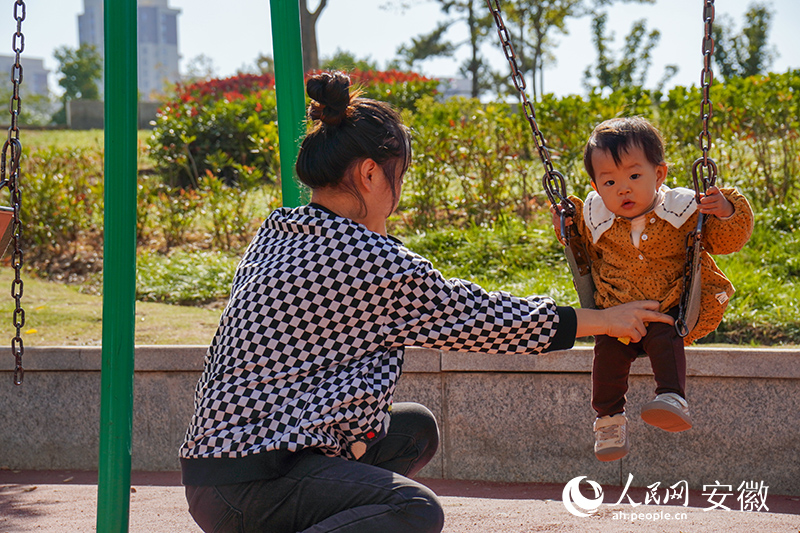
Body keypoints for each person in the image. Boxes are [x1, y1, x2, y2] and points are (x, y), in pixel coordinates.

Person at [180, 72, 673, 533]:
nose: (398, 192)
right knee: (413, 510)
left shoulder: (281, 230)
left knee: (412, 429)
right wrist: (604, 320)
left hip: (223, 465)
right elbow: (481, 319)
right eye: (398, 176)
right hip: (250, 483)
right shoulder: (366, 259)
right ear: (371, 173)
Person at [551, 116, 753, 463]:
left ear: (659, 175)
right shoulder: (595, 216)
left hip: (667, 307)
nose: (622, 189)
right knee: (607, 359)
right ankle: (609, 422)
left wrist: (725, 211)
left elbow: (728, 239)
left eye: (633, 176)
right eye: (609, 181)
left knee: (665, 338)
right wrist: (565, 227)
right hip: (615, 316)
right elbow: (580, 246)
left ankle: (672, 398)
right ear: (596, 187)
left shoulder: (683, 210)